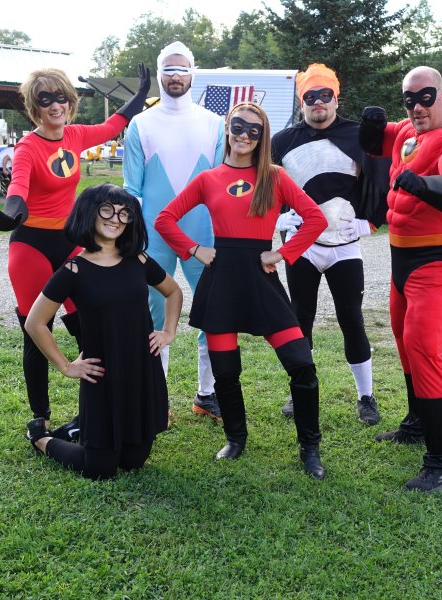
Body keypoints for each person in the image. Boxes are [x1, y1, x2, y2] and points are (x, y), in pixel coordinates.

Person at [155, 102, 330, 479]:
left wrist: (283, 253)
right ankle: (235, 438)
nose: (244, 135)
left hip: (260, 278)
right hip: (221, 282)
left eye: (254, 130)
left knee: (301, 363)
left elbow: (316, 218)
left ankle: (310, 447)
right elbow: (164, 219)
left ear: (262, 137)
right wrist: (194, 249)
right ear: (228, 128)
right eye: (238, 126)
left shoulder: (276, 176)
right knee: (226, 371)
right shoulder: (208, 178)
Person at [0, 65, 150, 440]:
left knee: (89, 325)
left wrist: (140, 95)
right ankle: (39, 416)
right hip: (30, 246)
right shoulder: (27, 147)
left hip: (71, 241)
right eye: (45, 100)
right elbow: (18, 188)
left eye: (60, 97)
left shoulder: (74, 135)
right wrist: (11, 215)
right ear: (34, 108)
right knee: (37, 328)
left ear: (70, 103)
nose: (54, 105)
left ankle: (98, 407)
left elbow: (112, 125)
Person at [359, 66, 442, 492]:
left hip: (439, 257)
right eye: (409, 99)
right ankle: (416, 423)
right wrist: (372, 125)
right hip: (401, 257)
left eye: (426, 97)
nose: (417, 106)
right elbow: (372, 142)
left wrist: (422, 184)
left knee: (424, 348)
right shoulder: (408, 132)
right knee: (405, 341)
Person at [23, 184, 179, 479]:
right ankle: (41, 439)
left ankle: (79, 427)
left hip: (140, 369)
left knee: (134, 461)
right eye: (107, 209)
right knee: (100, 469)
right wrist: (67, 366)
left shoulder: (139, 261)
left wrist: (168, 332)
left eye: (124, 213)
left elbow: (173, 292)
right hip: (102, 375)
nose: (116, 219)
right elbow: (35, 322)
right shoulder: (74, 270)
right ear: (89, 213)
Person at [271, 63, 380, 426]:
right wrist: (276, 219)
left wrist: (371, 221)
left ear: (337, 97)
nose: (318, 102)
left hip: (345, 244)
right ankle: (299, 387)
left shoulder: (359, 135)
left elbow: (384, 177)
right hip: (302, 245)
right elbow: (264, 188)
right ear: (301, 101)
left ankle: (366, 395)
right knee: (300, 318)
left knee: (351, 317)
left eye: (325, 95)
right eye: (310, 96)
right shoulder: (282, 142)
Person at [123, 41, 225, 421]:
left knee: (212, 313)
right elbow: (132, 188)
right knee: (153, 317)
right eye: (168, 69)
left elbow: (219, 184)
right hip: (153, 235)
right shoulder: (141, 124)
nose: (175, 75)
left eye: (182, 69)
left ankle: (207, 393)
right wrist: (129, 236)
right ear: (159, 73)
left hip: (203, 236)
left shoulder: (214, 123)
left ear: (193, 73)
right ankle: (156, 396)